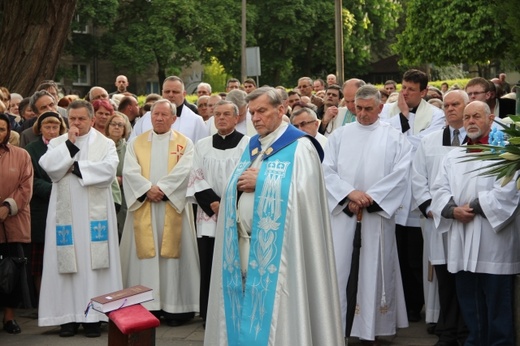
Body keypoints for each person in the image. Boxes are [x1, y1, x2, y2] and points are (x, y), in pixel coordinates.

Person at [205, 87, 343, 345]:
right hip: (243, 245)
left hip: (284, 254)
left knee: (279, 313)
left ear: (281, 111)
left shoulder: (300, 146)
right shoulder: (253, 145)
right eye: (253, 112)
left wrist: (265, 181)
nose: (256, 118)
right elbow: (234, 184)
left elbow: (306, 196)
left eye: (262, 111)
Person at [323, 85, 411, 344]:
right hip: (344, 216)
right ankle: (339, 327)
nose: (361, 114)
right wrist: (349, 195)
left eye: (368, 109)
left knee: (374, 269)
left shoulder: (394, 138)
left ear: (380, 108)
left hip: (376, 218)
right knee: (340, 270)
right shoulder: (340, 135)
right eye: (358, 108)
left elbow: (400, 174)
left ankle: (370, 328)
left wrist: (368, 199)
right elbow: (327, 171)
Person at [431, 100, 520, 345]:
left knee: (497, 307)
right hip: (462, 240)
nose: (470, 121)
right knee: (470, 306)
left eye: (477, 116)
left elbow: (508, 193)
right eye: (467, 117)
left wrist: (471, 207)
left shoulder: (505, 155)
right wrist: (450, 210)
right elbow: (439, 188)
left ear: (491, 120)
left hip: (494, 245)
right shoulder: (454, 155)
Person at [38, 100, 122, 338]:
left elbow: (108, 171)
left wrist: (74, 168)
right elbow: (49, 168)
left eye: (81, 119)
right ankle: (67, 319)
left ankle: (93, 318)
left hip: (95, 217)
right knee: (67, 262)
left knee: (93, 264)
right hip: (65, 215)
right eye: (72, 119)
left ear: (92, 120)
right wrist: (70, 145)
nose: (76, 123)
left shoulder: (105, 143)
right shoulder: (58, 142)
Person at [120, 99, 200, 326]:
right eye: (156, 114)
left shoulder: (185, 143)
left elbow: (186, 170)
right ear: (150, 116)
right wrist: (147, 190)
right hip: (144, 206)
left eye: (165, 115)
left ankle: (177, 308)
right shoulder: (136, 143)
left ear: (174, 119)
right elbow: (130, 170)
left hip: (172, 206)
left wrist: (162, 190)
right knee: (145, 257)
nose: (160, 118)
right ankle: (148, 306)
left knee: (172, 257)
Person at [382, 69, 445, 323]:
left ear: (423, 92)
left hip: (418, 194)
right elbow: (388, 144)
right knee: (398, 254)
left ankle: (420, 304)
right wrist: (401, 121)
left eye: (410, 89)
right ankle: (405, 304)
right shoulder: (388, 112)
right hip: (396, 194)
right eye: (403, 87)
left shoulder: (437, 116)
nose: (404, 93)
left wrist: (405, 118)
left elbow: (419, 147)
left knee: (416, 256)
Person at [411, 90, 470, 345]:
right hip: (439, 221)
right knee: (445, 279)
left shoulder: (480, 140)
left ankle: (467, 332)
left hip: (469, 221)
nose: (450, 108)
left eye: (456, 104)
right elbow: (418, 178)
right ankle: (447, 333)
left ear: (466, 108)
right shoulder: (430, 141)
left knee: (466, 278)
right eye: (446, 105)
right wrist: (430, 208)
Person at [187, 100, 249, 325]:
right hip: (208, 216)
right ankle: (209, 315)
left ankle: (236, 313)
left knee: (235, 262)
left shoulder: (248, 144)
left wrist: (229, 204)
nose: (221, 118)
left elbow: (248, 176)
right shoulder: (202, 145)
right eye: (217, 114)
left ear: (236, 118)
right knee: (209, 264)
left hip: (236, 213)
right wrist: (214, 203)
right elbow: (195, 175)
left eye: (226, 114)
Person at [25, 112, 67, 298]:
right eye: (47, 127)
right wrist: (55, 189)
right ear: (39, 129)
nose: (51, 131)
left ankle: (62, 297)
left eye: (55, 127)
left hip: (65, 208)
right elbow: (30, 180)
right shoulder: (31, 149)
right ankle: (43, 299)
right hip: (41, 209)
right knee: (40, 261)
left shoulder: (68, 146)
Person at [0, 113, 34, 334]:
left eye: (1, 129)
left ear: (8, 131)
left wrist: (6, 207)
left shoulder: (21, 155)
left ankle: (9, 318)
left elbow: (26, 187)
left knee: (10, 272)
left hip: (11, 222)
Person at [131, 76, 208, 143]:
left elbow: (202, 149)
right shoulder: (146, 119)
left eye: (175, 92)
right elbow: (132, 144)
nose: (171, 95)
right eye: (167, 91)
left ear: (184, 94)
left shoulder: (196, 121)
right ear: (162, 93)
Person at [104, 112, 128, 238]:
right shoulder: (101, 145)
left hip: (124, 196)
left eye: (120, 125)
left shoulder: (129, 148)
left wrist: (123, 179)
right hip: (106, 194)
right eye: (113, 124)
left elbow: (135, 171)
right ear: (108, 126)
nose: (117, 127)